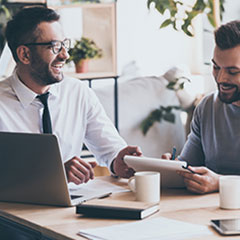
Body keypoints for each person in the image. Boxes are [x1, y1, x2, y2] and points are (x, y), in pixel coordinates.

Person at [0, 6, 142, 185]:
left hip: (70, 207)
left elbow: (110, 149)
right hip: (11, 209)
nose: (65, 55)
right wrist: (53, 175)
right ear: (25, 54)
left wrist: (118, 161)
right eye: (54, 47)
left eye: (64, 44)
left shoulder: (78, 92)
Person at [164, 20, 240, 194]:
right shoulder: (207, 108)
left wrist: (220, 182)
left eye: (232, 71)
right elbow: (190, 166)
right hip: (207, 214)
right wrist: (173, 168)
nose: (220, 78)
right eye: (216, 67)